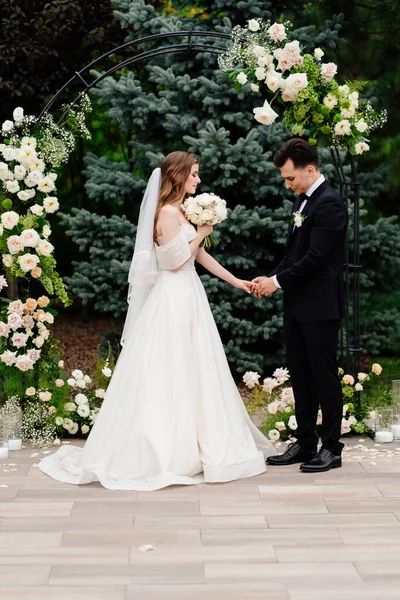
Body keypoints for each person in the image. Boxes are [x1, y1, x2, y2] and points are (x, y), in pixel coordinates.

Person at [39, 151, 275, 490]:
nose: (197, 180)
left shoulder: (181, 211)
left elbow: (199, 255)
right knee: (172, 367)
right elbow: (174, 262)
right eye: (193, 174)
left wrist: (236, 281)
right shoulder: (165, 212)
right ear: (177, 176)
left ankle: (198, 442)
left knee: (197, 367)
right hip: (173, 297)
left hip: (191, 295)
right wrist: (202, 231)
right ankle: (168, 450)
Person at [252, 138, 348, 473]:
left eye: (291, 178)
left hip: (321, 306)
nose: (287, 184)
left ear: (310, 169)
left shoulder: (330, 204)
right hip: (297, 304)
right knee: (301, 375)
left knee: (323, 376)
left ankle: (332, 448)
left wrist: (276, 283)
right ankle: (306, 443)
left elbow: (317, 258)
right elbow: (293, 255)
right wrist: (270, 277)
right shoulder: (303, 202)